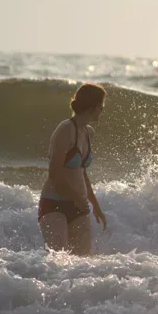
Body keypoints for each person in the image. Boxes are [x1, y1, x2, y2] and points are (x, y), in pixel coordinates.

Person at [38, 83, 107, 255]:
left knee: (82, 263)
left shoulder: (88, 132)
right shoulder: (66, 129)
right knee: (57, 260)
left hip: (79, 206)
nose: (102, 109)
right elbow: (54, 174)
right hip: (54, 203)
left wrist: (95, 205)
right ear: (94, 106)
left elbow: (82, 173)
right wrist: (76, 197)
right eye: (101, 105)